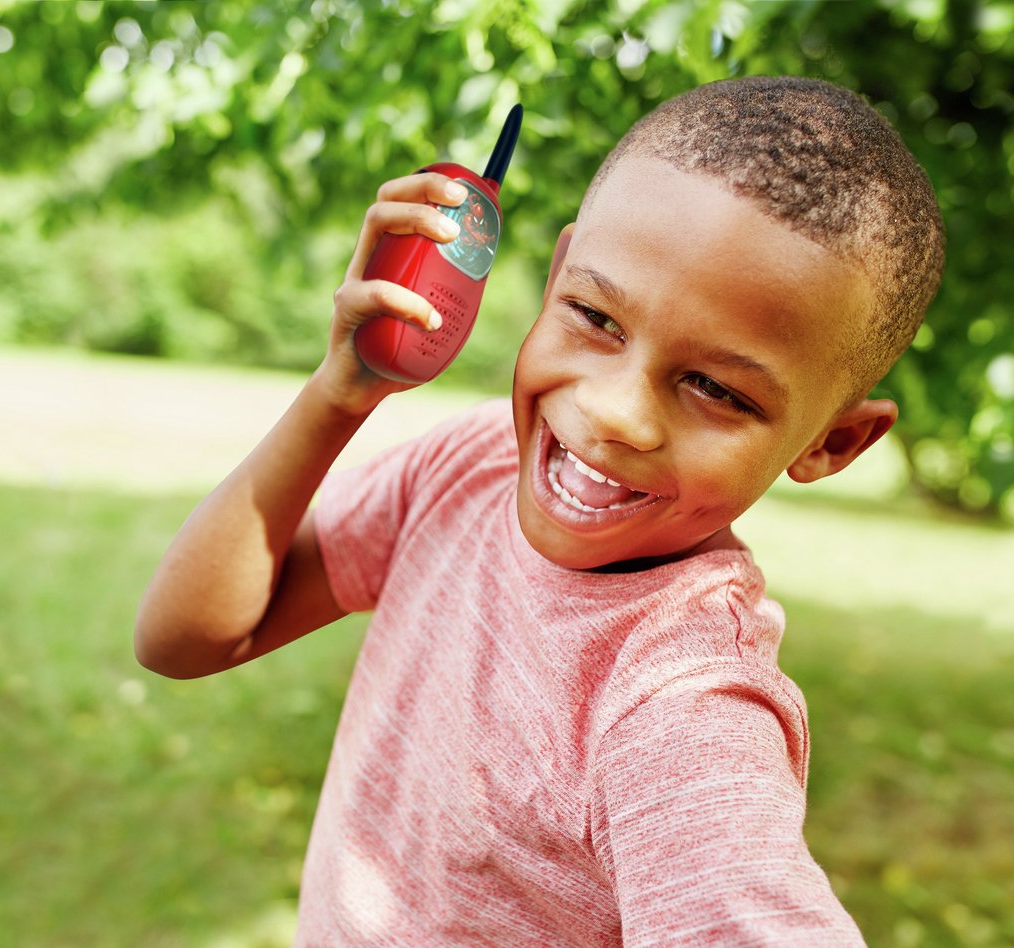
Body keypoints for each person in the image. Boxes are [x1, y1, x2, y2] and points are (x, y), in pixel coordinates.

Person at [135, 75, 944, 944]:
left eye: (713, 388)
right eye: (596, 318)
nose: (615, 413)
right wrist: (342, 392)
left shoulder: (679, 708)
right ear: (557, 276)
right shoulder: (474, 463)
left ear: (834, 442)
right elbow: (189, 637)